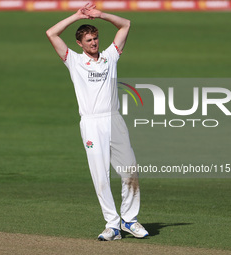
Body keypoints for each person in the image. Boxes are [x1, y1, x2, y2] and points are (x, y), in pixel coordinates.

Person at [46, 3, 148, 241]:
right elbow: (51, 33)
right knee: (101, 176)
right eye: (89, 40)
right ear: (80, 43)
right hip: (91, 123)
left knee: (130, 170)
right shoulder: (73, 60)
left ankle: (129, 220)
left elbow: (126, 25)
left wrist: (101, 15)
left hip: (114, 119)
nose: (94, 43)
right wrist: (76, 16)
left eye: (95, 38)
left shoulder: (110, 56)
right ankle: (112, 225)